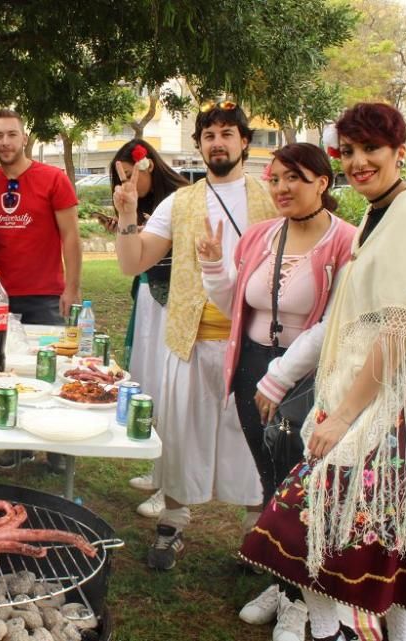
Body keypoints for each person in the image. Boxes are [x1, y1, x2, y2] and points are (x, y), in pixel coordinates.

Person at [240, 103, 406, 641]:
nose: (359, 162)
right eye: (348, 151)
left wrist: (342, 418)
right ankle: (340, 634)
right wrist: (288, 376)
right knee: (388, 538)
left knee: (312, 524)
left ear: (400, 152)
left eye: (371, 149)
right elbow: (352, 317)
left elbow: (402, 324)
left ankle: (330, 633)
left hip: (403, 405)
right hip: (373, 396)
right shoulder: (378, 215)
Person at [199, 142, 356, 641]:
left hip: (305, 378)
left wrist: (282, 374)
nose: (283, 188)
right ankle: (282, 584)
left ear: (322, 183)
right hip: (250, 368)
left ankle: (299, 602)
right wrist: (212, 267)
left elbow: (335, 323)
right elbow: (235, 302)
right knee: (271, 482)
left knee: (300, 488)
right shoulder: (262, 236)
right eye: (276, 178)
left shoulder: (346, 242)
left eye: (295, 178)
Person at [113, 101, 276, 571]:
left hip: (254, 342)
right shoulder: (180, 201)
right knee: (182, 431)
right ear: (200, 145)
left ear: (245, 142)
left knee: (253, 439)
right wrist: (127, 216)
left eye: (227, 134)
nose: (217, 142)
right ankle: (173, 525)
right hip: (189, 337)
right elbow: (131, 262)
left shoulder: (272, 196)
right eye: (208, 135)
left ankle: (255, 536)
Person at [0, 108, 82, 472]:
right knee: (2, 373)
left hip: (44, 294)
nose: (5, 142)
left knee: (51, 373)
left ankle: (58, 450)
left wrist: (72, 287)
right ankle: (14, 446)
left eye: (11, 134)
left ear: (25, 138)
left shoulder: (53, 179)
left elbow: (71, 236)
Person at [105, 140, 188, 518]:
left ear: (148, 166)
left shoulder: (182, 201)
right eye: (120, 177)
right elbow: (135, 256)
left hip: (176, 304)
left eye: (128, 174)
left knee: (169, 393)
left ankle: (171, 487)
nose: (125, 182)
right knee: (149, 384)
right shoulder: (139, 203)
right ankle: (158, 470)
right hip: (147, 298)